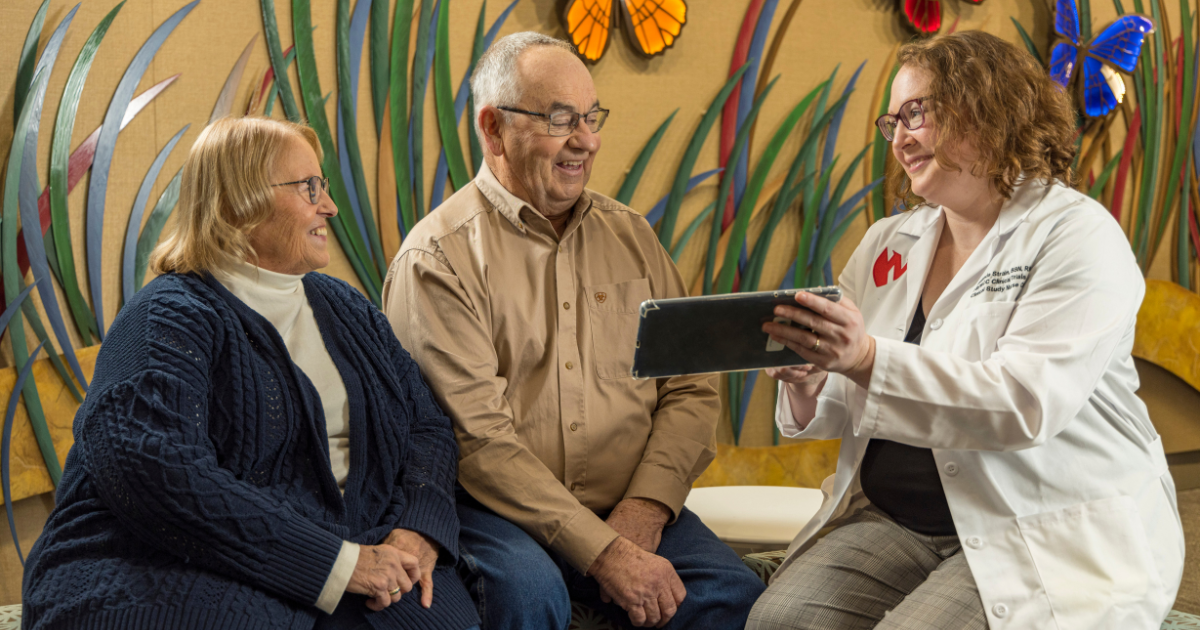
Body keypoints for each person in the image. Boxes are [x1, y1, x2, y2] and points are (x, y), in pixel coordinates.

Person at [744, 31, 1184, 630]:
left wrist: (867, 356)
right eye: (891, 121)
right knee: (779, 622)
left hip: (1041, 521)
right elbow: (852, 397)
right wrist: (809, 379)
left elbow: (1023, 405)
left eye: (915, 114)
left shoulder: (1077, 236)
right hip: (902, 520)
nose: (898, 138)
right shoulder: (887, 242)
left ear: (985, 107)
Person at [22, 117, 479, 630]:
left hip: (356, 550)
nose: (327, 205)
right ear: (240, 201)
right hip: (165, 559)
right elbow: (153, 470)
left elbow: (427, 428)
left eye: (323, 186)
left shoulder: (345, 306)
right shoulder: (167, 315)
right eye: (309, 188)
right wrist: (337, 563)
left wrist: (417, 529)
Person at [383, 31, 765, 630]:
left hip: (629, 503)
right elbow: (477, 441)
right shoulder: (437, 258)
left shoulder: (633, 236)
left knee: (735, 595)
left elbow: (689, 386)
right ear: (493, 128)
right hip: (497, 514)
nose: (585, 141)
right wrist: (605, 550)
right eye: (560, 119)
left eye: (591, 116)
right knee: (532, 597)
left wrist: (646, 507)